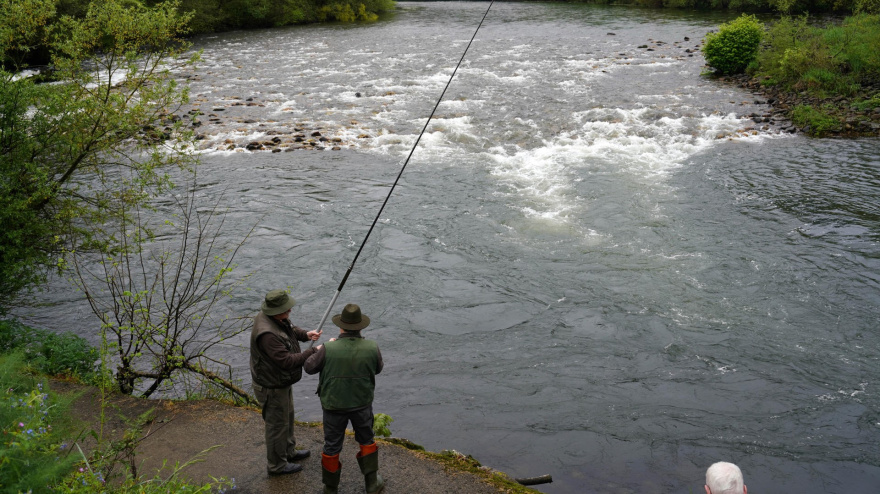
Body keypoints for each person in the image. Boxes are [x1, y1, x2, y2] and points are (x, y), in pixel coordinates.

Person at [305, 303, 385, 494]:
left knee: (332, 444)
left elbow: (308, 368)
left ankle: (331, 489)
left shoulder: (327, 348)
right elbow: (378, 369)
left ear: (341, 326)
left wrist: (319, 349)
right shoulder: (372, 347)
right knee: (366, 439)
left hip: (334, 404)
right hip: (361, 403)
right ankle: (372, 484)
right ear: (360, 326)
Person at [250, 289, 322, 476]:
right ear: (276, 310)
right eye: (286, 309)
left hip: (279, 381)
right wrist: (313, 351)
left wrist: (307, 335)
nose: (290, 311)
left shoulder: (274, 318)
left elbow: (289, 329)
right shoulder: (267, 334)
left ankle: (288, 452)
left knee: (287, 417)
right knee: (276, 425)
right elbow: (286, 361)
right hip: (270, 385)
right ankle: (277, 465)